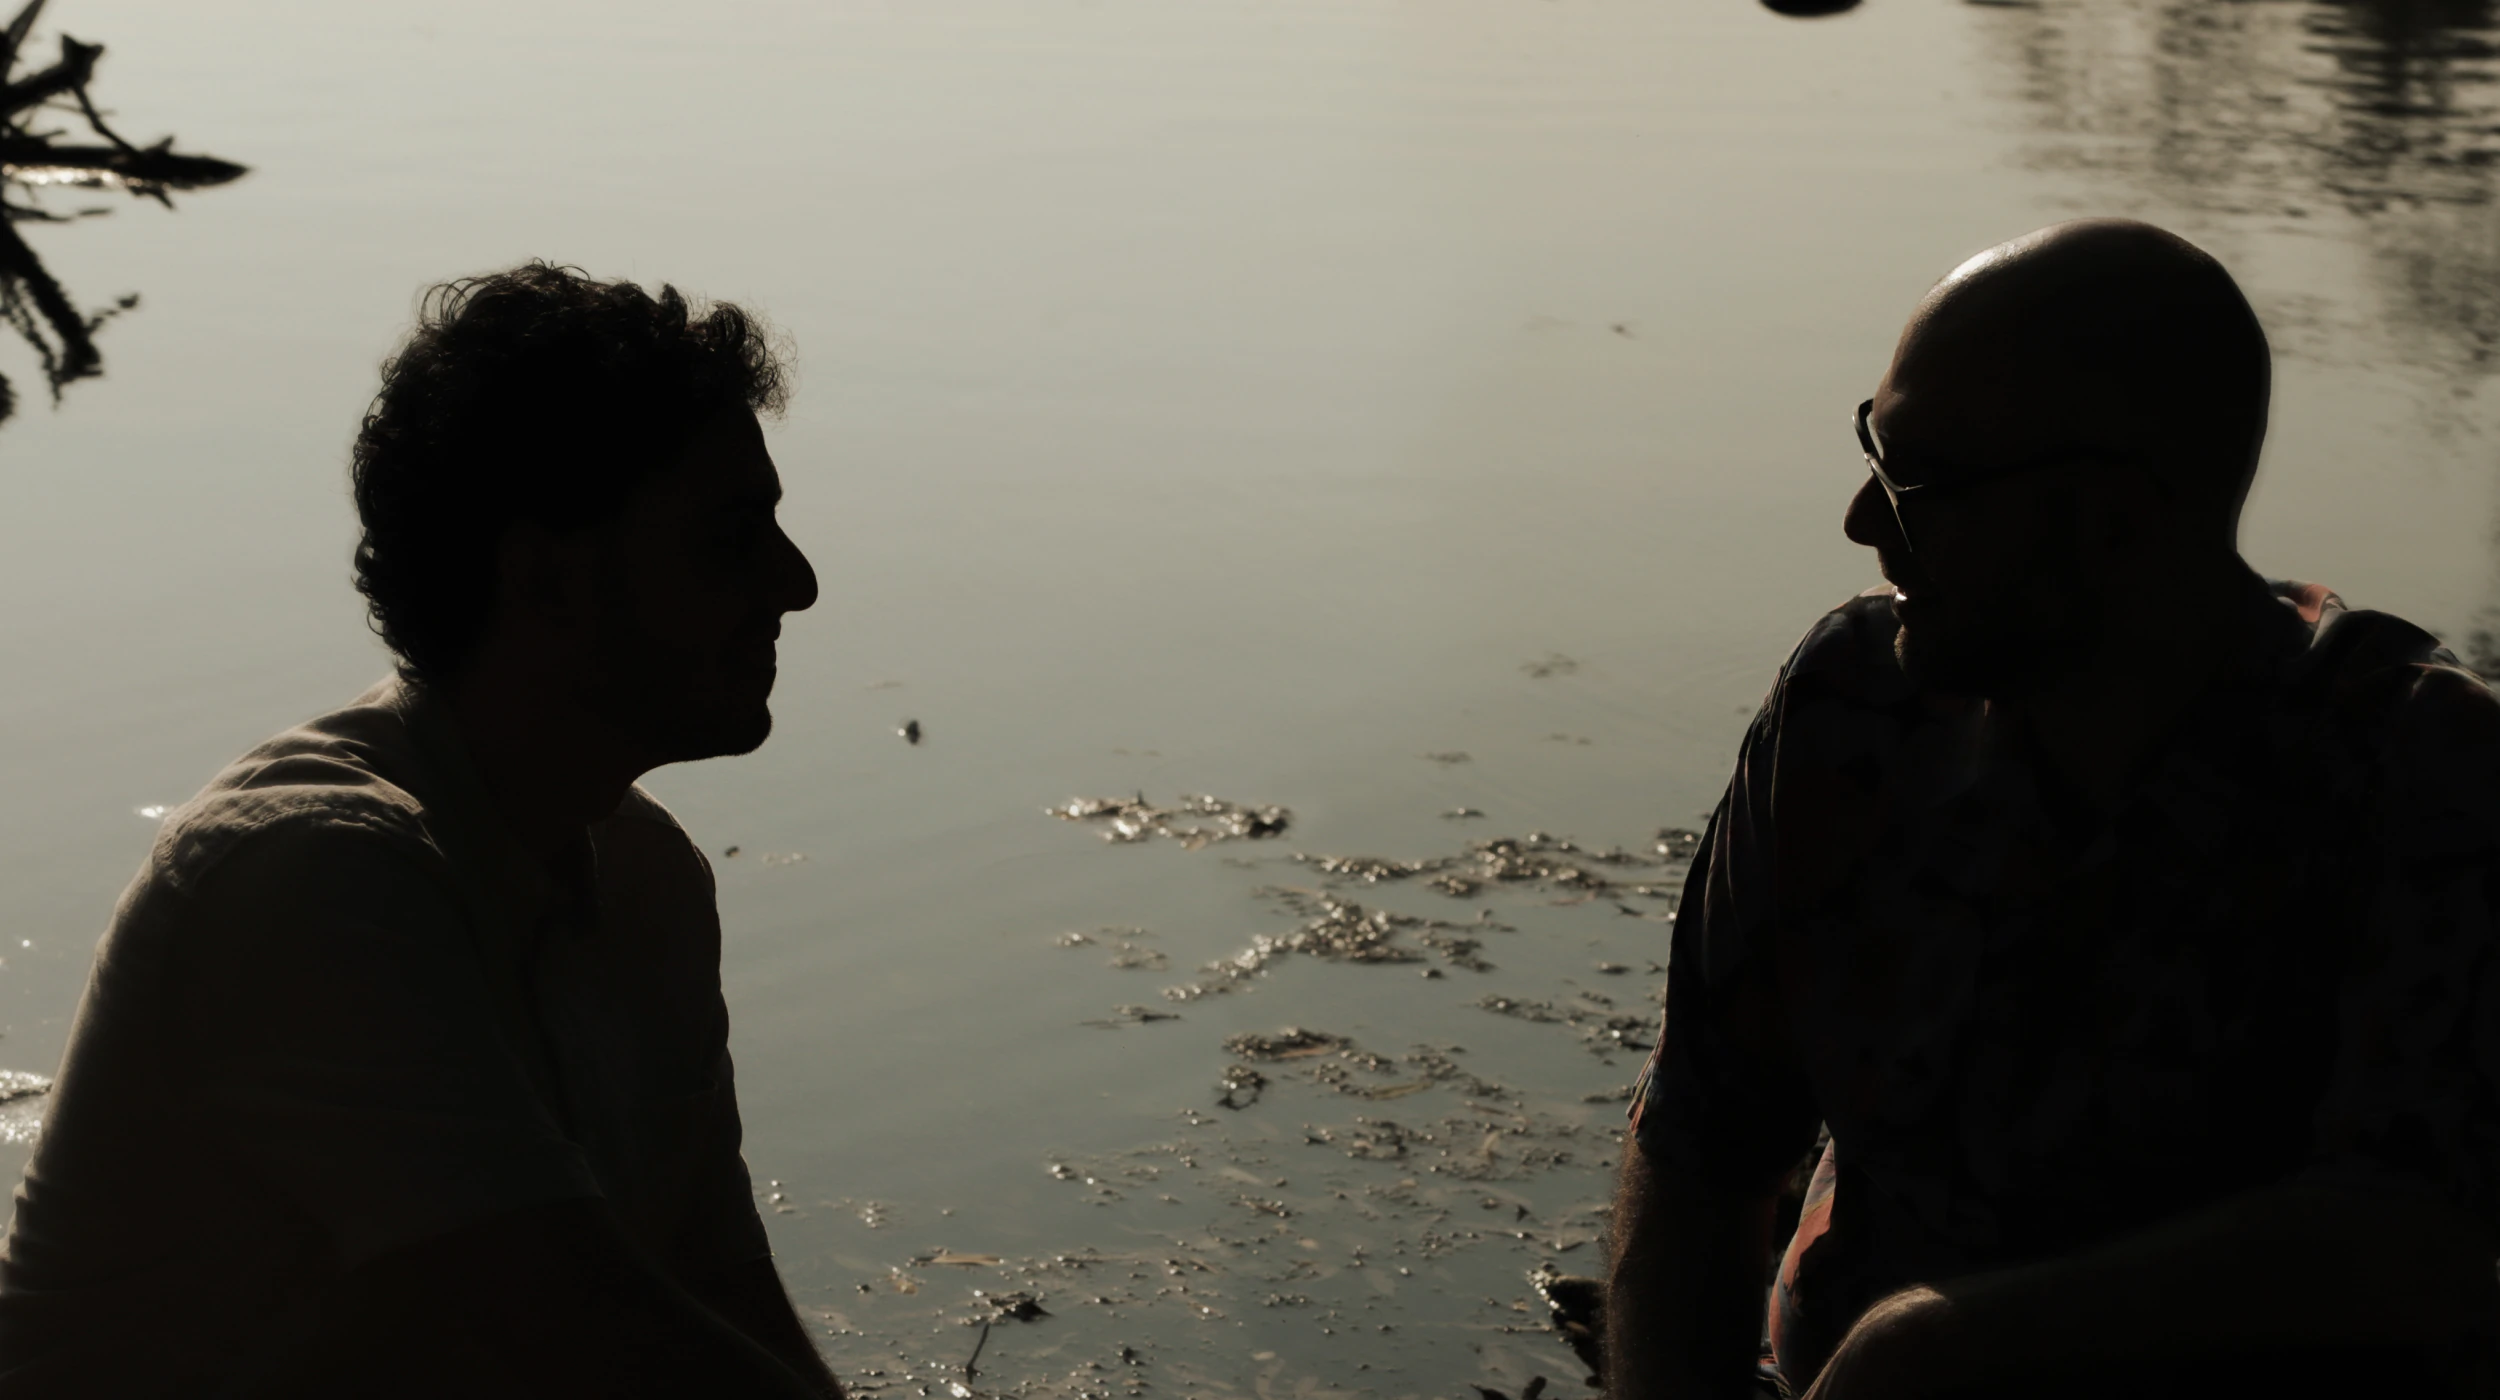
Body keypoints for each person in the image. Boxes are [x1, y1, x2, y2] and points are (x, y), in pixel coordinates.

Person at [1606, 220, 2500, 1400]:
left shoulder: (2416, 769)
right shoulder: (1849, 706)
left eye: (1920, 482)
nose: (1864, 525)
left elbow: (2412, 1249)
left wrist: (1938, 1341)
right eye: (1877, 451)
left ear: (2111, 518)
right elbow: (1700, 1141)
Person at [0, 263, 841, 1398]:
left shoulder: (646, 878)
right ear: (546, 578)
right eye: (731, 538)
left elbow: (717, 1294)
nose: (796, 584)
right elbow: (589, 1331)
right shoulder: (311, 875)